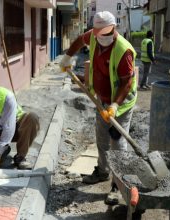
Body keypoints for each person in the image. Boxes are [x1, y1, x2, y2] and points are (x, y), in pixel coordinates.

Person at [59, 11, 137, 205]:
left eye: (106, 32)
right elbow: (79, 40)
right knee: (101, 138)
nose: (102, 37)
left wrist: (115, 105)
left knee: (117, 144)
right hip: (101, 100)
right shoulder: (93, 37)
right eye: (98, 33)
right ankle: (102, 172)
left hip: (121, 104)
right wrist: (67, 57)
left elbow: (127, 82)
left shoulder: (123, 50)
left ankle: (118, 186)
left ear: (114, 28)